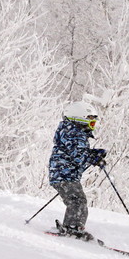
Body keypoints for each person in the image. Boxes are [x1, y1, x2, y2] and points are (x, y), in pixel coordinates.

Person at [47, 101, 105, 241]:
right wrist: (93, 157)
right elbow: (79, 156)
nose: (93, 127)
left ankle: (72, 225)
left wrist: (93, 155)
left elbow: (78, 153)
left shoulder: (71, 132)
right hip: (64, 175)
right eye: (90, 123)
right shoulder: (74, 134)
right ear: (79, 119)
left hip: (63, 174)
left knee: (76, 200)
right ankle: (73, 228)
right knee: (77, 201)